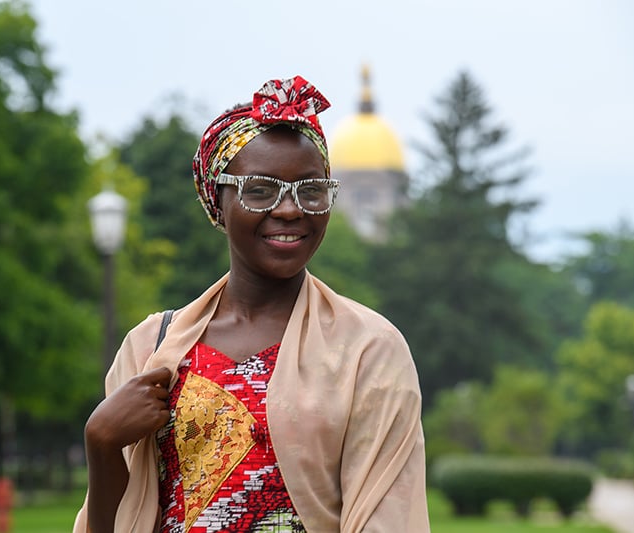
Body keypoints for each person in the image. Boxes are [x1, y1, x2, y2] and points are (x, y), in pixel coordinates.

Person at [73, 76, 430, 532]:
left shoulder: (368, 349)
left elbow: (387, 517)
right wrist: (101, 445)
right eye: (260, 189)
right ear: (216, 202)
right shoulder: (151, 348)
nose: (289, 209)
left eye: (311, 190)